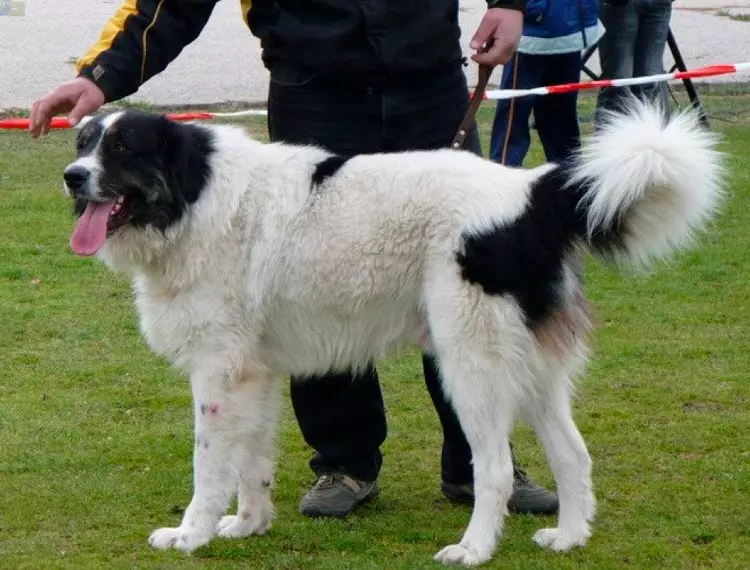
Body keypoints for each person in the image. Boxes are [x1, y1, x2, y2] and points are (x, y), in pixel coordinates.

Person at [29, 0, 558, 520]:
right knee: (303, 283)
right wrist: (99, 77)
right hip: (315, 88)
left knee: (465, 284)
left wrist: (508, 4)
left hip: (428, 77)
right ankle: (344, 463)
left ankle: (479, 465)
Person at [489, 0, 604, 167]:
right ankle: (501, 177)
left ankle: (568, 182)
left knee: (563, 124)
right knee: (514, 119)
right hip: (530, 33)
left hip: (572, 30)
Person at [595, 0, 674, 122]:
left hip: (659, 5)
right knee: (619, 84)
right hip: (619, 6)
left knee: (650, 82)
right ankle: (613, 138)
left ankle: (650, 138)